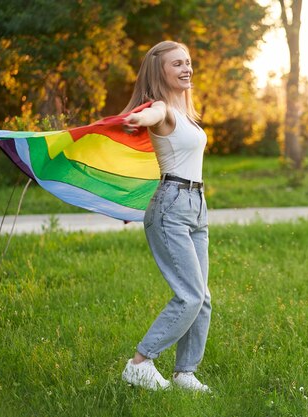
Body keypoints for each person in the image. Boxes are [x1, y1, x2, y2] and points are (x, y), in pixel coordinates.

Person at [119, 40, 212, 392]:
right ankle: (140, 363)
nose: (186, 68)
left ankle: (185, 373)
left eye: (188, 62)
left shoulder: (185, 112)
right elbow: (150, 115)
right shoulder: (162, 109)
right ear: (161, 71)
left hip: (196, 208)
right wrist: (137, 118)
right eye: (177, 64)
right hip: (171, 206)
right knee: (189, 294)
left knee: (202, 299)